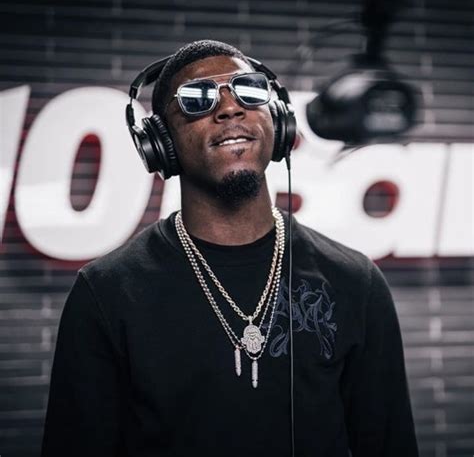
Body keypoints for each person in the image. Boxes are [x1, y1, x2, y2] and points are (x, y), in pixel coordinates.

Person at [41, 40, 419, 457]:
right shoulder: (105, 292)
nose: (230, 108)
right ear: (160, 142)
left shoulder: (356, 282)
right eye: (197, 99)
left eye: (249, 90)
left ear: (278, 121)